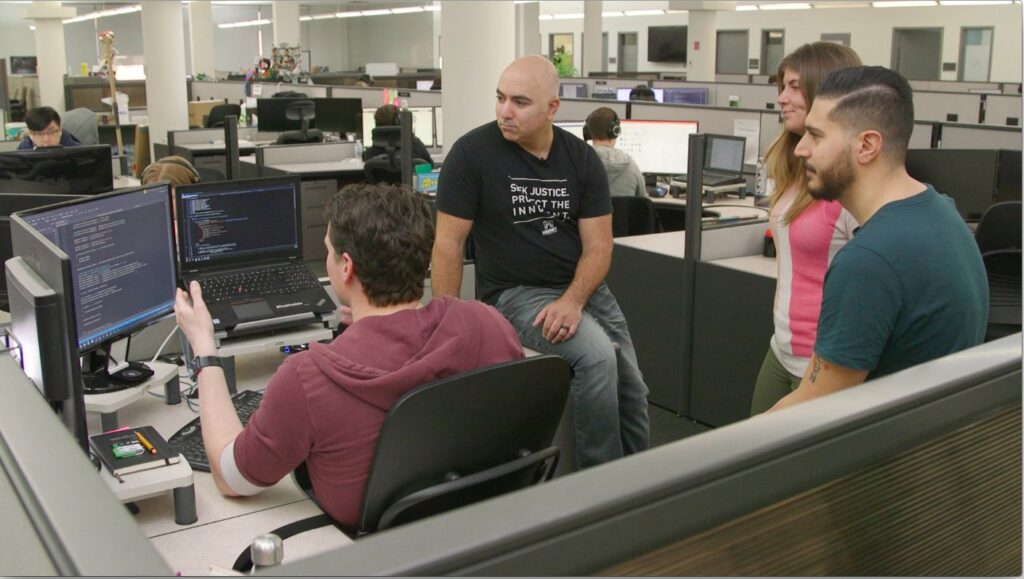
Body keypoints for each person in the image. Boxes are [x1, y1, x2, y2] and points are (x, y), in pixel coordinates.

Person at [174, 183, 524, 526]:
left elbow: (232, 478)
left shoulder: (307, 377)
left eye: (328, 250)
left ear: (346, 266)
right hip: (482, 533)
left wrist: (205, 350)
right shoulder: (486, 323)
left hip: (367, 557)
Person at [431, 55, 650, 470]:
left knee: (633, 388)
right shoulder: (471, 155)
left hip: (580, 288)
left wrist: (573, 299)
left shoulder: (581, 160)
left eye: (519, 102)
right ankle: (597, 493)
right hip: (514, 294)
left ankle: (636, 483)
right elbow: (448, 243)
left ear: (552, 108)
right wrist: (448, 320)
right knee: (597, 358)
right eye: (499, 99)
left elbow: (599, 246)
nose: (504, 112)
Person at [768, 66, 988, 413]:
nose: (801, 149)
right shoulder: (943, 212)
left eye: (816, 136)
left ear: (867, 146)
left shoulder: (868, 260)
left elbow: (811, 410)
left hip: (883, 457)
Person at [749, 42, 863, 416]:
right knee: (751, 456)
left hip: (823, 358)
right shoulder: (794, 167)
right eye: (782, 85)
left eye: (794, 86)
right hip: (782, 345)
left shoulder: (848, 187)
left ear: (824, 89)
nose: (782, 97)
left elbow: (866, 290)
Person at [585, 107, 645, 198]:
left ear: (588, 133)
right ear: (615, 131)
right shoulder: (631, 165)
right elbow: (642, 201)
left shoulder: (579, 163)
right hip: (624, 212)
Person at [362, 104, 434, 165]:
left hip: (382, 182)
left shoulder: (369, 154)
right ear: (399, 122)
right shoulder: (414, 144)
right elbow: (431, 165)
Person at [18, 106, 82, 150]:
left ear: (60, 130)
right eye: (40, 134)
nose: (46, 140)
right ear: (31, 134)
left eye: (51, 132)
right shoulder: (22, 152)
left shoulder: (79, 153)